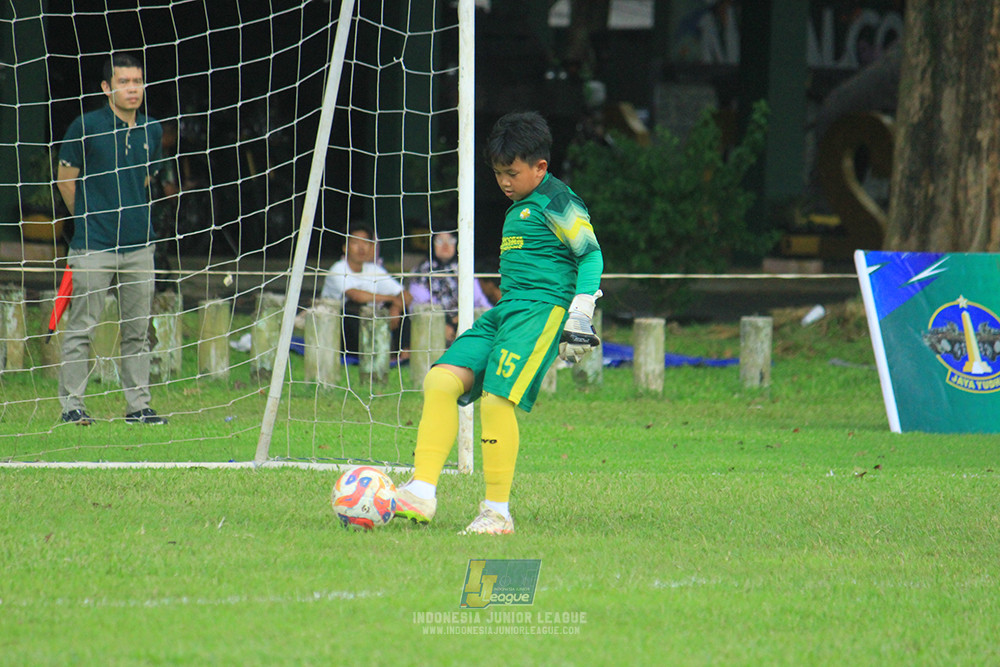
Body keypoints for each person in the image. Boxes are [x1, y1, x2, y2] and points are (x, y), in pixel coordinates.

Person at [395, 111, 603, 535]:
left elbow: (591, 254)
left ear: (540, 167)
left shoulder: (557, 200)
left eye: (513, 172)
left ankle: (497, 513)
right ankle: (420, 491)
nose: (504, 182)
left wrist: (580, 311)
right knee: (440, 381)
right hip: (506, 311)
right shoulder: (518, 207)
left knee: (495, 401)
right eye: (498, 173)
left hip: (540, 313)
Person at [55, 52, 167, 426]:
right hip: (93, 245)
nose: (132, 89)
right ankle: (72, 407)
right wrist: (88, 220)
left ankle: (139, 406)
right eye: (124, 82)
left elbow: (149, 179)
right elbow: (65, 180)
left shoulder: (152, 129)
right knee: (81, 328)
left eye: (137, 81)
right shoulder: (84, 126)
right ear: (107, 87)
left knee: (138, 332)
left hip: (140, 247)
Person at [320, 223, 413, 355]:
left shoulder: (374, 270)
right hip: (338, 326)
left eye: (366, 242)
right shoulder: (338, 269)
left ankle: (403, 354)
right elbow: (356, 296)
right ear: (345, 247)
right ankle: (361, 354)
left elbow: (406, 295)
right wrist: (393, 298)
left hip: (369, 323)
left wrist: (396, 307)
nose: (361, 247)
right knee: (353, 307)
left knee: (402, 307)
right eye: (356, 243)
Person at [406, 230, 493, 345]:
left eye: (451, 240)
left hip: (464, 323)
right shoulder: (421, 271)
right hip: (431, 327)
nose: (445, 245)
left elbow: (479, 301)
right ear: (432, 244)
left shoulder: (465, 268)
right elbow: (420, 304)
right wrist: (444, 324)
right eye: (440, 241)